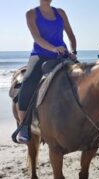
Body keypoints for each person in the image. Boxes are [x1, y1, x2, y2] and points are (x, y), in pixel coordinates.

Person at [16, 0, 77, 143]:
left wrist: (73, 51)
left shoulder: (60, 12)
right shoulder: (31, 14)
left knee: (83, 77)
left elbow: (71, 35)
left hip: (62, 54)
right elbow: (37, 38)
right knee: (29, 80)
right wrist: (53, 48)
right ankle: (23, 125)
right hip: (40, 54)